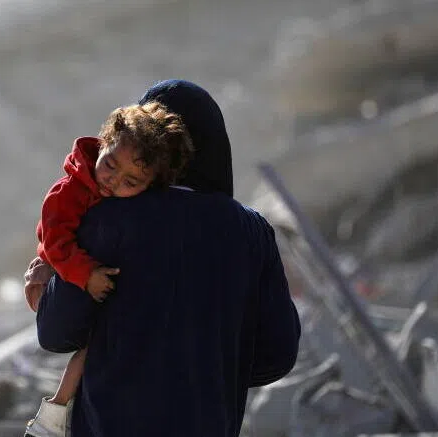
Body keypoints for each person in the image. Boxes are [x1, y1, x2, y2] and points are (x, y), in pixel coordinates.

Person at [33, 79, 301, 437]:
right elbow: (277, 355)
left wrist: (43, 287)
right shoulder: (252, 233)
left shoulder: (109, 219)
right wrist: (202, 366)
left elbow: (57, 332)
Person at [24, 101, 195, 437]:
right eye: (110, 166)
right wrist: (86, 274)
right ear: (102, 143)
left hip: (83, 284)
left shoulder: (131, 205)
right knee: (97, 345)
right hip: (53, 279)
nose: (114, 182)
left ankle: (54, 416)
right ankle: (54, 414)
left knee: (96, 349)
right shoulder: (68, 192)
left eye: (131, 181)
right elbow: (56, 244)